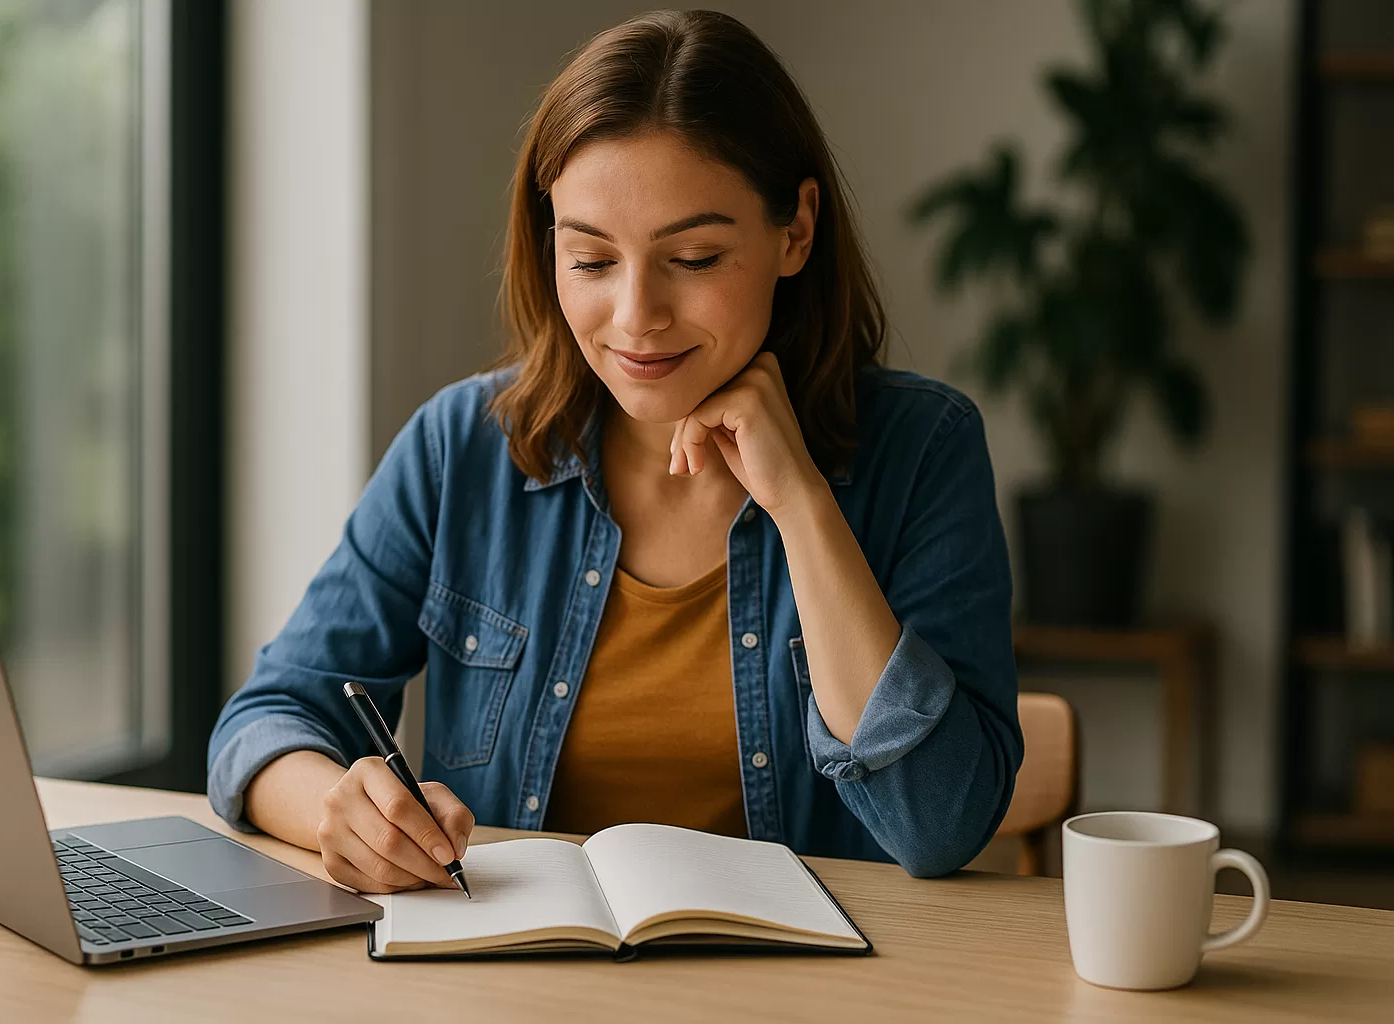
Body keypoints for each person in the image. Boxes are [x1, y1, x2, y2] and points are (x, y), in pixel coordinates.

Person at [207, 8, 1022, 895]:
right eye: (592, 261)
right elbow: (265, 721)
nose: (637, 317)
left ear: (795, 231)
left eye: (695, 257)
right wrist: (341, 814)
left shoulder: (922, 450)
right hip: (519, 964)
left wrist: (801, 505)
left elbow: (940, 825)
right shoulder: (461, 448)